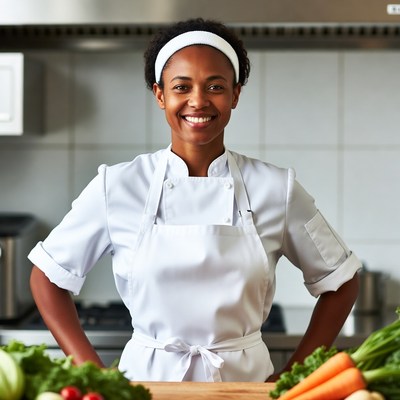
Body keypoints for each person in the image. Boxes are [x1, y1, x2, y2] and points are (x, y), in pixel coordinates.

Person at [28, 18, 361, 383]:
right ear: (160, 95)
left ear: (235, 94)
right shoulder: (117, 185)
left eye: (215, 86)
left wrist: (293, 378)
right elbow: (47, 277)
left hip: (245, 387)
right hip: (146, 387)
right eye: (181, 87)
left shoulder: (276, 188)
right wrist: (93, 374)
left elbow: (341, 281)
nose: (198, 101)